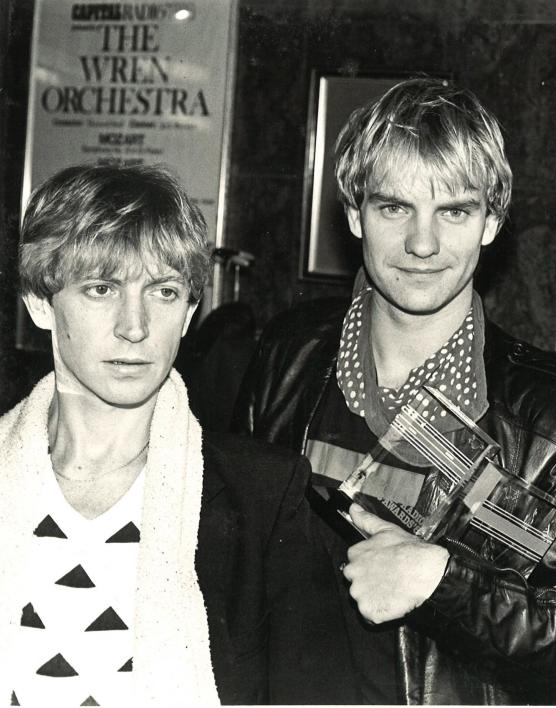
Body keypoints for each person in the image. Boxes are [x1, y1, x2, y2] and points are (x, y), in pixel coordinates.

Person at [234, 78, 556, 704]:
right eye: (394, 208)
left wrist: (440, 582)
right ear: (354, 213)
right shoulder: (290, 355)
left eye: (454, 211)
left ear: (491, 221)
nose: (422, 244)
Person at [1, 164, 355, 705]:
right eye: (101, 289)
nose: (135, 326)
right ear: (40, 304)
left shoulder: (263, 495)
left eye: (164, 292)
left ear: (190, 313)